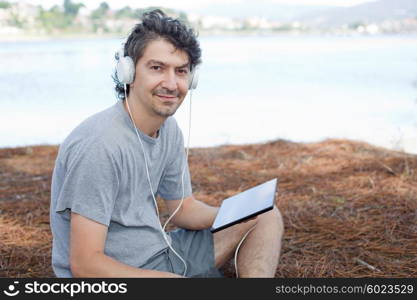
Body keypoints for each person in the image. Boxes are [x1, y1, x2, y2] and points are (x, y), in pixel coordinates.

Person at [49, 9, 284, 278]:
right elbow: (86, 266)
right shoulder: (99, 146)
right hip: (116, 274)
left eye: (181, 71)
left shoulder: (168, 129)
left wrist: (236, 213)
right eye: (157, 68)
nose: (171, 84)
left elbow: (184, 209)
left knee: (265, 215)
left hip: (164, 253)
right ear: (128, 72)